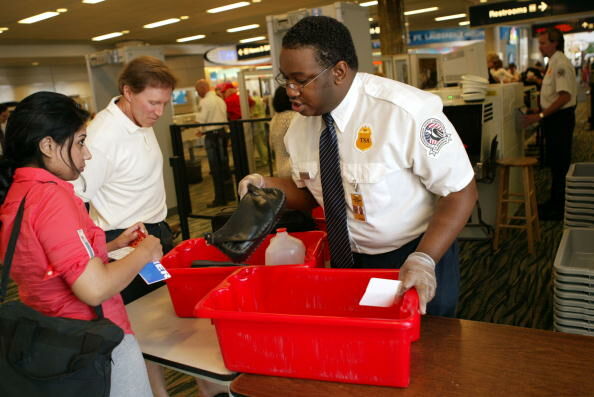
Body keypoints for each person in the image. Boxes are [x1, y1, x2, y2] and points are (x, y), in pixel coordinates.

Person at [238, 16, 477, 317]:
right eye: (285, 78)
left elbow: (460, 192)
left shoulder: (404, 112)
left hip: (418, 250)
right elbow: (314, 194)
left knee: (430, 350)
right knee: (367, 346)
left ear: (339, 71)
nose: (291, 90)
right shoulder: (300, 130)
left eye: (301, 80)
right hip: (349, 260)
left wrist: (425, 259)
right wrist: (266, 185)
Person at [0, 91, 162, 396]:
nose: (86, 154)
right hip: (94, 341)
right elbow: (94, 288)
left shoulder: (19, 193)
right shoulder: (52, 197)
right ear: (47, 145)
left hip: (51, 338)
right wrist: (144, 252)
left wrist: (112, 246)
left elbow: (48, 261)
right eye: (80, 142)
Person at [72, 55, 176, 397]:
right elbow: (74, 196)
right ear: (128, 92)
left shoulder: (141, 122)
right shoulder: (102, 135)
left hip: (153, 236)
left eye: (165, 102)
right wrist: (102, 244)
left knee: (164, 315)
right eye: (153, 102)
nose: (159, 112)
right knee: (140, 326)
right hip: (125, 245)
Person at [524, 28, 577, 221]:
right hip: (554, 118)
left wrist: (540, 115)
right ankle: (555, 203)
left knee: (560, 164)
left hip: (560, 119)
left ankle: (559, 207)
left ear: (555, 43)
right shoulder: (553, 63)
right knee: (555, 163)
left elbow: (565, 97)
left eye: (544, 42)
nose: (540, 46)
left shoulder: (560, 63)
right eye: (540, 42)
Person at [195, 79, 234, 207]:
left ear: (202, 88)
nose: (197, 93)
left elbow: (201, 120)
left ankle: (220, 199)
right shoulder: (219, 100)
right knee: (225, 166)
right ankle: (230, 195)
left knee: (215, 169)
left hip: (212, 137)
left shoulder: (205, 102)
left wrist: (200, 130)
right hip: (223, 133)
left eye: (197, 90)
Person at [269, 86, 297, 177]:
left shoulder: (275, 118)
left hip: (279, 167)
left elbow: (271, 145)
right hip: (294, 168)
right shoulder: (294, 117)